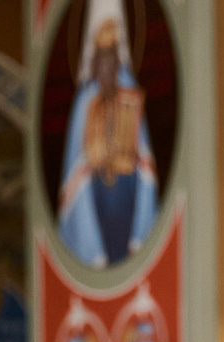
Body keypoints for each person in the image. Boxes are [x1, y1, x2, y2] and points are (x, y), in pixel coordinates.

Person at [58, 0, 160, 269]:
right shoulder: (85, 97)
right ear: (93, 38)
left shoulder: (129, 86)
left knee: (125, 254)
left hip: (127, 188)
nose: (110, 36)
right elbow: (76, 159)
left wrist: (132, 159)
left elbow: (142, 146)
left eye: (114, 29)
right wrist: (95, 155)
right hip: (97, 190)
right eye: (104, 30)